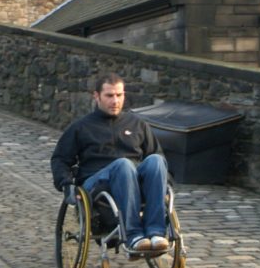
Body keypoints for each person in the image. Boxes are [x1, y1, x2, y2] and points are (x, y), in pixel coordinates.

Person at [50, 73, 170, 254]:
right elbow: (60, 159)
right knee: (123, 164)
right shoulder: (81, 127)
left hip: (133, 181)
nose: (115, 101)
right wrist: (66, 184)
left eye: (119, 95)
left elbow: (156, 153)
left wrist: (166, 184)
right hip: (97, 184)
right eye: (109, 96)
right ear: (96, 96)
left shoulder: (137, 124)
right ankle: (134, 235)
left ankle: (156, 232)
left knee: (156, 160)